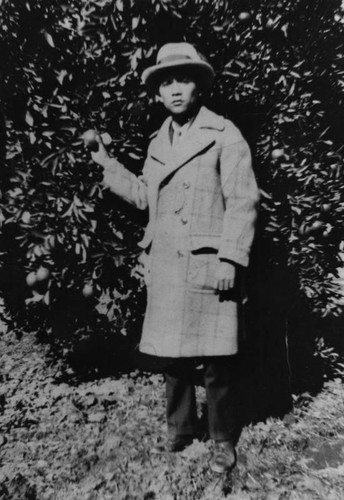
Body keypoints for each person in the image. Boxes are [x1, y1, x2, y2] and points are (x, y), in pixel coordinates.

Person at [89, 42, 259, 473]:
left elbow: (242, 202)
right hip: (167, 260)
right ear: (158, 94)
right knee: (173, 354)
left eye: (183, 80)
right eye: (167, 82)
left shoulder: (224, 134)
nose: (176, 90)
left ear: (198, 87)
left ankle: (222, 438)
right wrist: (108, 165)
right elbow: (147, 196)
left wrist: (229, 259)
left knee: (218, 356)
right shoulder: (156, 143)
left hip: (208, 260)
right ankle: (181, 429)